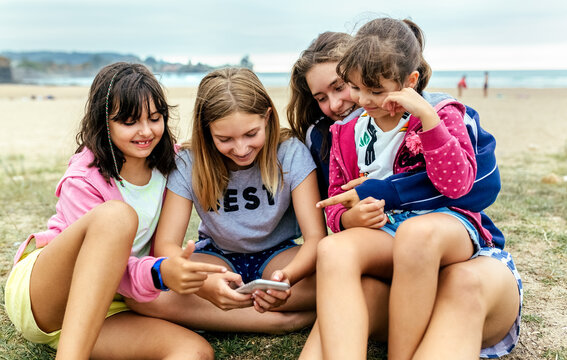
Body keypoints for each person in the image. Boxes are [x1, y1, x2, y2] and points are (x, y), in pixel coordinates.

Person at [299, 18, 522, 360]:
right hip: (388, 235)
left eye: (375, 91)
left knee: (416, 235)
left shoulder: (443, 115)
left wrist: (429, 123)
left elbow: (461, 184)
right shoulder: (345, 134)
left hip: (445, 227)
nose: (361, 100)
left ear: (409, 81)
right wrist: (347, 219)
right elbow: (335, 200)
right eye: (357, 88)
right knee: (334, 250)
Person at [4, 62, 228, 359]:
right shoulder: (84, 178)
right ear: (104, 122)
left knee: (193, 352)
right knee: (118, 217)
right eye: (130, 122)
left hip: (112, 305)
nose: (146, 131)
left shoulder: (171, 166)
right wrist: (161, 273)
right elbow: (108, 264)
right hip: (47, 297)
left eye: (155, 118)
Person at [125, 67, 325, 332]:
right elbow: (166, 246)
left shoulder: (290, 153)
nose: (241, 149)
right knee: (140, 296)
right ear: (206, 130)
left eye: (251, 134)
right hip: (217, 259)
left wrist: (287, 278)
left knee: (342, 276)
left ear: (267, 117)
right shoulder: (188, 162)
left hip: (281, 257)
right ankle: (280, 321)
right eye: (224, 139)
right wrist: (205, 287)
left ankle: (228, 315)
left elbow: (315, 239)